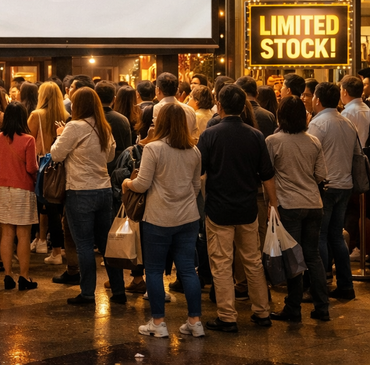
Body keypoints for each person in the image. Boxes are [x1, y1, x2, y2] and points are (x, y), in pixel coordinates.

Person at [197, 83, 278, 333]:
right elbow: (267, 175)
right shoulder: (255, 135)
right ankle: (262, 312)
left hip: (219, 208)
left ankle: (227, 316)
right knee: (252, 261)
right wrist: (273, 204)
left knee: (221, 263)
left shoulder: (210, 135)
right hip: (248, 208)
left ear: (219, 106)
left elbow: (198, 171)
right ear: (243, 106)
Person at [123, 104, 204, 339]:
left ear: (161, 123)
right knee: (188, 269)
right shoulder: (194, 151)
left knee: (155, 270)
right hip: (188, 218)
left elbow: (142, 184)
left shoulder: (154, 149)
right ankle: (195, 321)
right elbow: (196, 187)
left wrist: (127, 184)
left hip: (158, 219)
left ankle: (158, 322)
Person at [50, 86, 125, 306]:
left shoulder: (74, 127)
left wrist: (59, 136)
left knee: (83, 244)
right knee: (106, 244)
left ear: (78, 105)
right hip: (103, 189)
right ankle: (118, 291)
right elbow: (110, 156)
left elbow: (56, 154)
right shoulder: (104, 127)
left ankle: (87, 293)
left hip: (80, 190)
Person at [266, 97, 330, 323]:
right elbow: (321, 174)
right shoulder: (313, 141)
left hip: (289, 205)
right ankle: (322, 308)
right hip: (313, 204)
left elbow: (267, 174)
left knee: (293, 258)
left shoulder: (273, 141)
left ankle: (293, 308)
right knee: (313, 257)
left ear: (280, 116)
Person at [308, 81, 358, 301]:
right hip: (345, 185)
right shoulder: (347, 123)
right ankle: (346, 285)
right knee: (336, 236)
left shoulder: (318, 125)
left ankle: (321, 285)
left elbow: (310, 156)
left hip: (325, 186)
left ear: (317, 99)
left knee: (319, 236)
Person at [0, 101, 39, 290]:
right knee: (23, 235)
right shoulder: (29, 139)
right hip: (23, 190)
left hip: (4, 189)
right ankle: (24, 276)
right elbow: (31, 167)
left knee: (6, 234)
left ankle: (7, 275)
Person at [27, 81, 70, 263]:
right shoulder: (66, 116)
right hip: (61, 164)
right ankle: (55, 245)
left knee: (42, 206)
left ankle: (45, 242)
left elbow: (29, 141)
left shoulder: (36, 115)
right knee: (57, 209)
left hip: (41, 163)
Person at [95, 81, 131, 171]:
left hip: (94, 167)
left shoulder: (89, 119)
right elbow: (128, 147)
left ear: (95, 98)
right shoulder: (122, 119)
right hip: (117, 168)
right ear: (114, 99)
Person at [153, 73, 198, 138]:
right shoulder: (190, 110)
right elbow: (194, 136)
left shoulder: (156, 109)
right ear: (177, 90)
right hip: (186, 147)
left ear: (158, 90)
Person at [340, 75, 370, 147]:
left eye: (340, 89)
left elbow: (343, 139)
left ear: (345, 92)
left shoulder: (347, 112)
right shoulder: (367, 109)